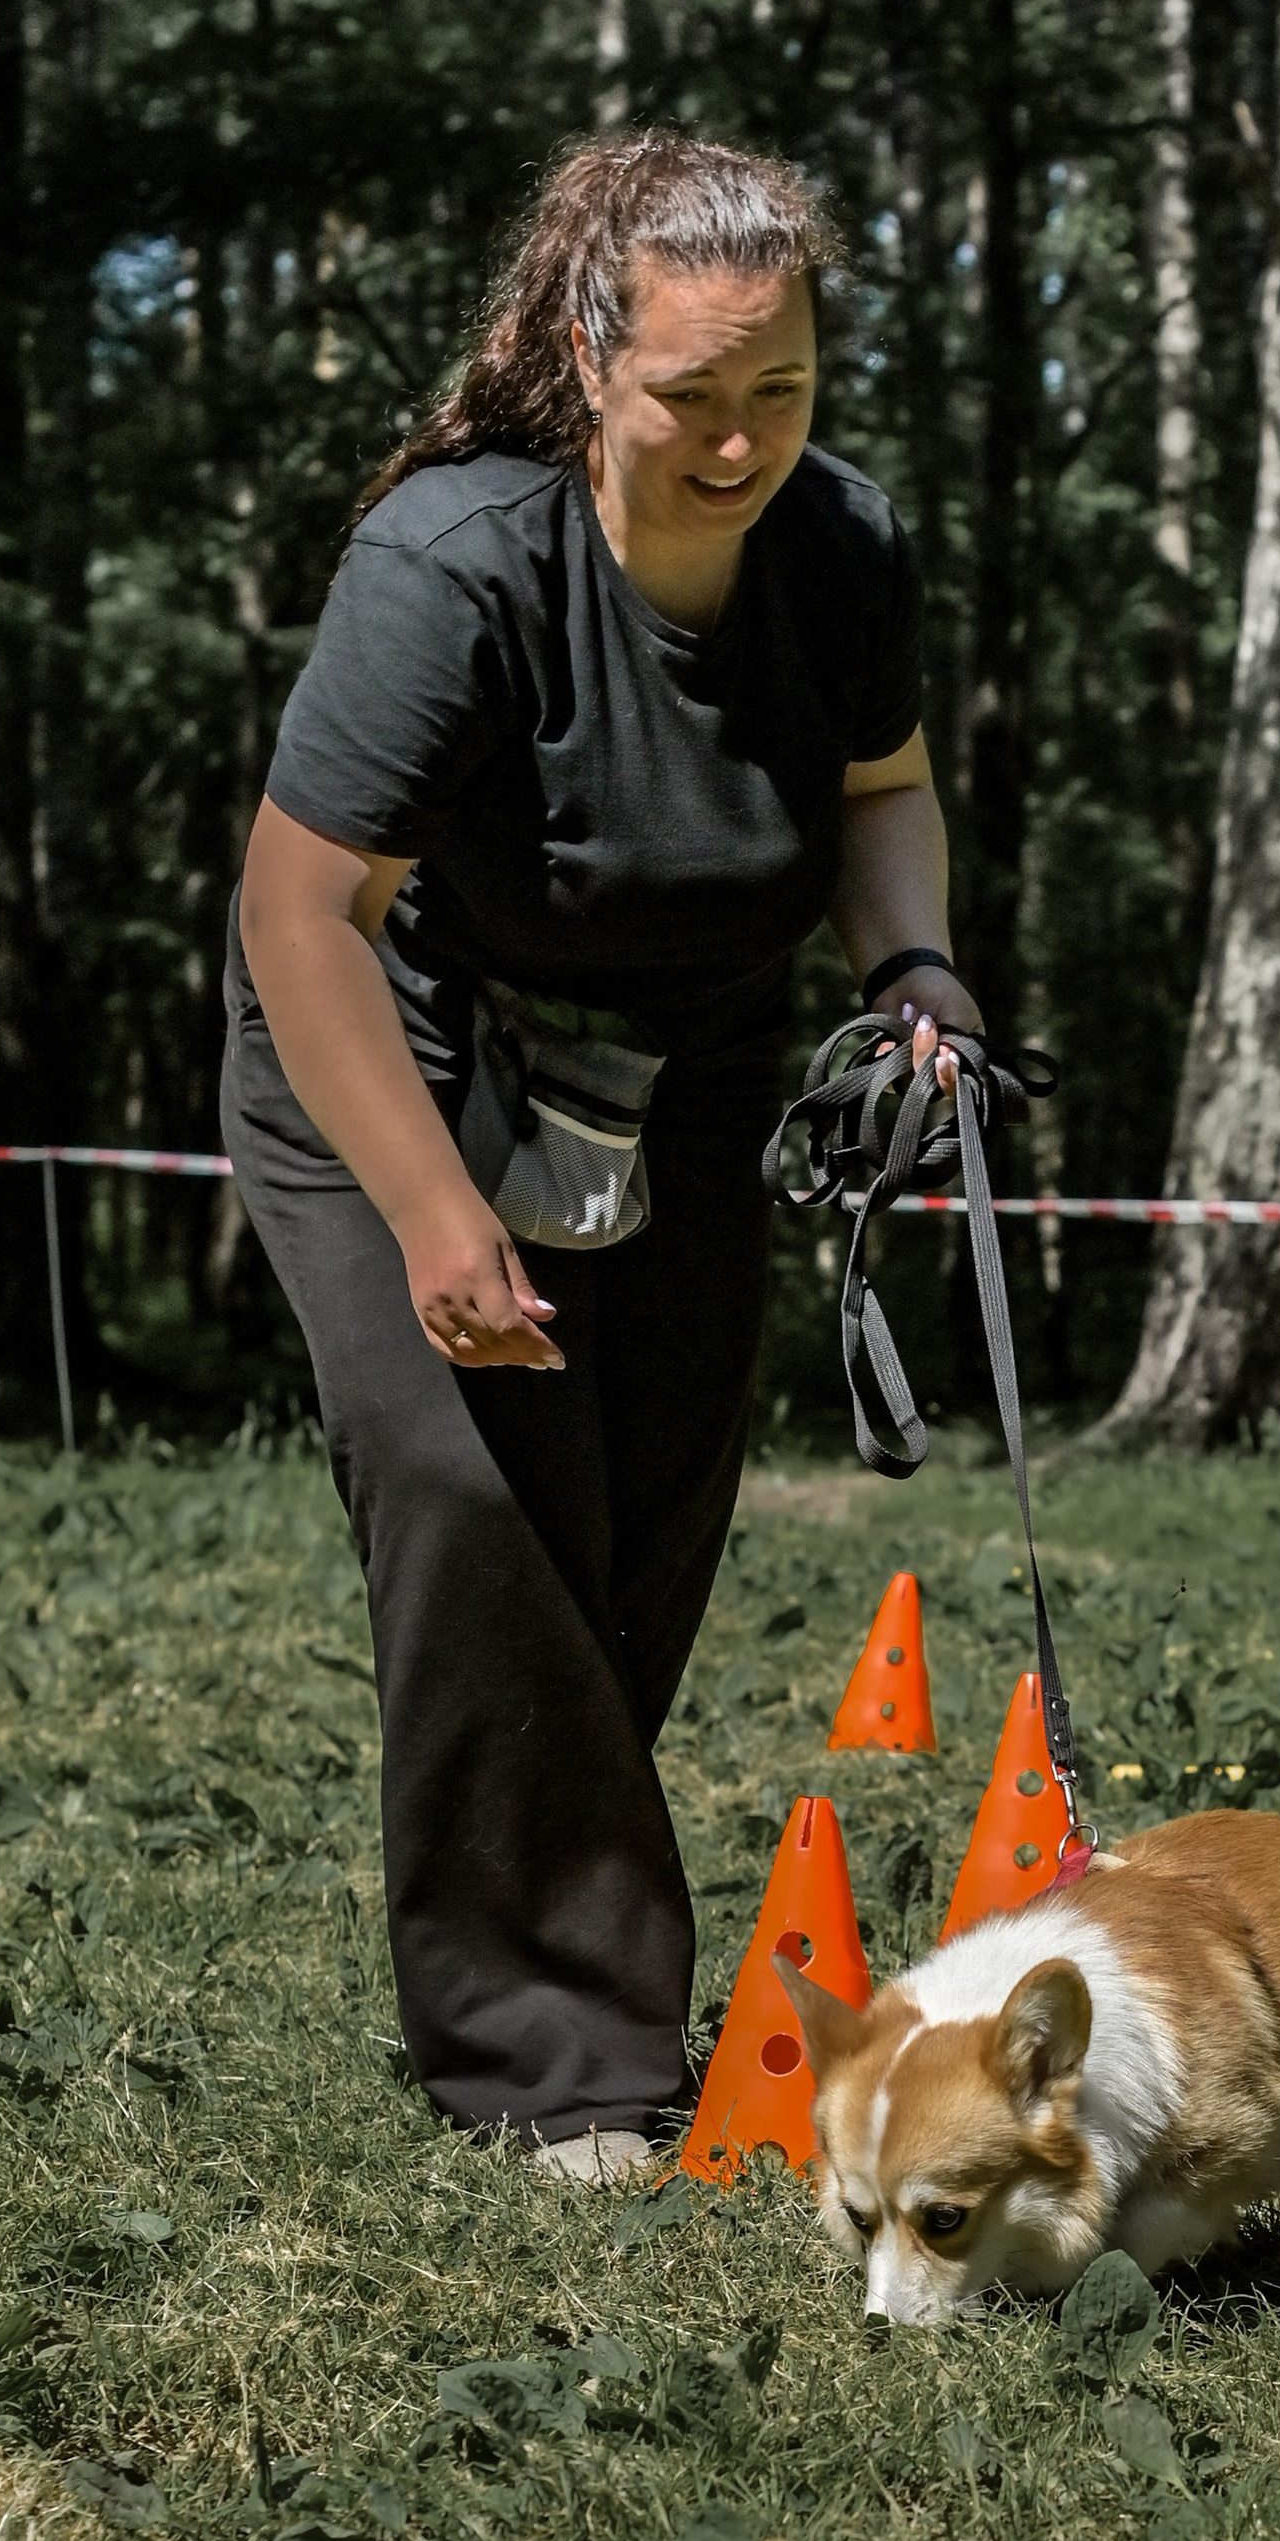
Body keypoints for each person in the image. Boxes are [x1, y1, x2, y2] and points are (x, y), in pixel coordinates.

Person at [227, 131, 982, 2178]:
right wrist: (427, 1209)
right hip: (397, 1061)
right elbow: (300, 913)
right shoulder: (457, 563)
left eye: (781, 391)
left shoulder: (842, 545)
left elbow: (882, 788)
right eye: (689, 395)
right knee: (490, 1513)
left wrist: (911, 965)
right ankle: (554, 2068)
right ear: (586, 356)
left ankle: (549, 1931)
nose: (739, 443)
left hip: (688, 1071)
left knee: (640, 1527)